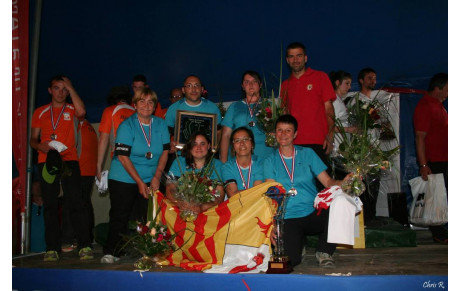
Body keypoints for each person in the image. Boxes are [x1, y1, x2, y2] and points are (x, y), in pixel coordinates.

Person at [264, 114, 350, 268]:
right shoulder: (269, 161)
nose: (283, 134)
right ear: (274, 133)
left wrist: (343, 183)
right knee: (289, 262)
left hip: (313, 212)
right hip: (288, 217)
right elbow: (272, 197)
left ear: (295, 134)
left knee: (339, 202)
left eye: (288, 130)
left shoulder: (308, 153)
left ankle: (324, 251)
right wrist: (272, 226)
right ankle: (298, 245)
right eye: (279, 130)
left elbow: (328, 182)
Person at [101, 88, 170, 263]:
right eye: (142, 101)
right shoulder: (127, 125)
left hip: (151, 175)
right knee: (120, 214)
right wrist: (139, 182)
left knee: (148, 217)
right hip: (123, 175)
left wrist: (156, 177)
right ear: (135, 104)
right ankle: (112, 252)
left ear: (155, 106)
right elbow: (123, 157)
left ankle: (147, 251)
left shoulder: (161, 124)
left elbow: (164, 153)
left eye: (150, 102)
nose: (146, 106)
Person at [30, 75, 94, 261]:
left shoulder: (72, 109)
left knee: (76, 202)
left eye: (64, 89)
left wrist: (71, 86)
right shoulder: (40, 112)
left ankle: (84, 245)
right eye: (57, 88)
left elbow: (82, 112)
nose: (61, 92)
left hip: (69, 159)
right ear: (50, 90)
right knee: (50, 204)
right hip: (47, 160)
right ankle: (52, 248)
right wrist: (40, 146)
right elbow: (33, 140)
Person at [280, 42, 336, 181]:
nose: (295, 60)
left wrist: (330, 135)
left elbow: (329, 108)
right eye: (291, 57)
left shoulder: (320, 77)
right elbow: (284, 115)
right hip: (294, 145)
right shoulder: (285, 85)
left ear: (305, 58)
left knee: (322, 188)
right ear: (287, 60)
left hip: (318, 143)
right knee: (300, 187)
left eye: (299, 56)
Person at [413, 72, 448, 244]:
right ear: (438, 88)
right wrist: (424, 164)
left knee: (444, 198)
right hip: (436, 161)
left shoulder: (440, 106)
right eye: (448, 88)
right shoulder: (425, 106)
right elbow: (420, 137)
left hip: (446, 159)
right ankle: (439, 233)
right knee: (437, 198)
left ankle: (443, 232)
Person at [220, 70, 275, 163]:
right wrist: (224, 162)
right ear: (242, 86)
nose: (251, 84)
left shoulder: (270, 106)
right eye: (247, 82)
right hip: (239, 156)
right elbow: (226, 136)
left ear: (260, 84)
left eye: (254, 81)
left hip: (265, 156)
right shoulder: (234, 106)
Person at [61, 118, 98, 251]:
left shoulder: (75, 124)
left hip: (77, 169)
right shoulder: (89, 126)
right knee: (85, 204)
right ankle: (86, 238)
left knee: (71, 205)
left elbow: (73, 147)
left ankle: (70, 240)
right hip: (88, 170)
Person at [166, 132, 224, 212]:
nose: (198, 147)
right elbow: (170, 189)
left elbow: (219, 195)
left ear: (209, 146)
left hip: (208, 211)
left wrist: (201, 208)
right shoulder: (179, 162)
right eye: (194, 144)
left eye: (202, 144)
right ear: (190, 147)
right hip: (181, 209)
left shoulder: (217, 165)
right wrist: (181, 204)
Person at [165, 75, 222, 151]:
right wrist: (170, 146)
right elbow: (166, 134)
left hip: (206, 155)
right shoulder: (173, 109)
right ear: (183, 90)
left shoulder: (212, 108)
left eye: (197, 85)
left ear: (202, 89)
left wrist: (214, 148)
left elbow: (219, 132)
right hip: (181, 155)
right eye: (189, 86)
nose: (193, 89)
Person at [97, 86, 135, 181]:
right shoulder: (136, 112)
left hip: (120, 159)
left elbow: (103, 138)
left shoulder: (110, 110)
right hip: (137, 160)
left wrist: (98, 165)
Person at [329, 71, 357, 179]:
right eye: (347, 83)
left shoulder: (340, 101)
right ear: (337, 83)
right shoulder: (334, 101)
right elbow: (329, 126)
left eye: (350, 84)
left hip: (342, 148)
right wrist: (348, 129)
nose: (349, 87)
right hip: (336, 148)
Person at [221, 127, 264, 198]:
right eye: (237, 140)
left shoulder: (261, 163)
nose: (242, 143)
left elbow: (258, 193)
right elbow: (232, 195)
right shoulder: (227, 167)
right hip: (236, 207)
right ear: (233, 147)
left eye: (245, 139)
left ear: (252, 144)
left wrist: (239, 193)